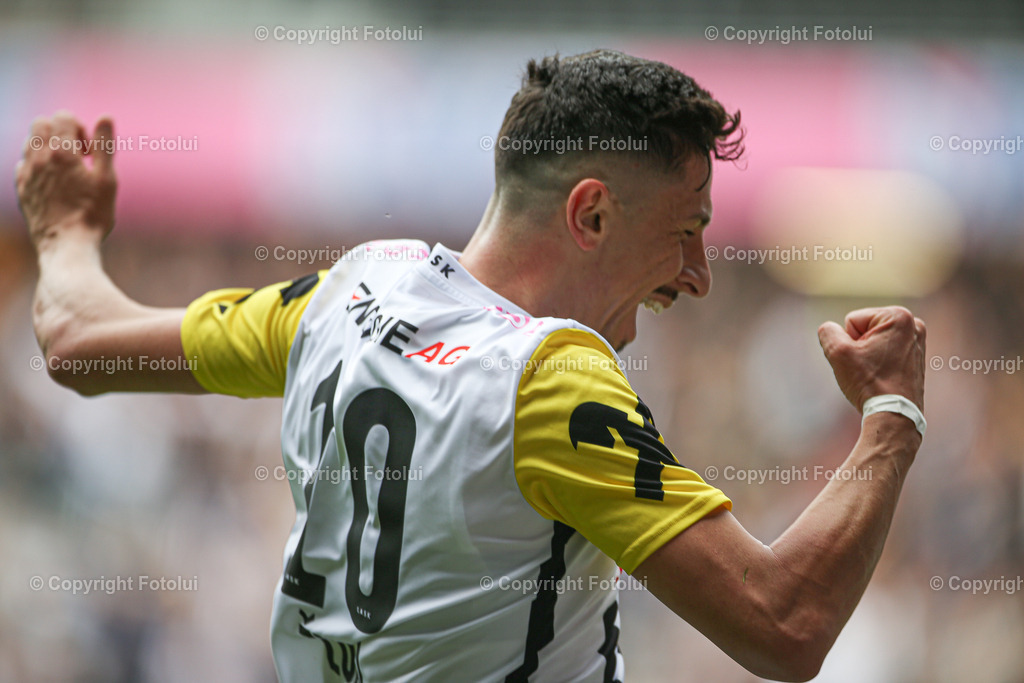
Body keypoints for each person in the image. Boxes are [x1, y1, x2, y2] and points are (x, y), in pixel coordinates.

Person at [16, 49, 926, 682]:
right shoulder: (552, 378)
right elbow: (784, 624)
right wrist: (891, 416)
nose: (695, 276)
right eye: (686, 231)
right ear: (593, 214)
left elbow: (77, 342)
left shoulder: (351, 291)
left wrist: (65, 232)